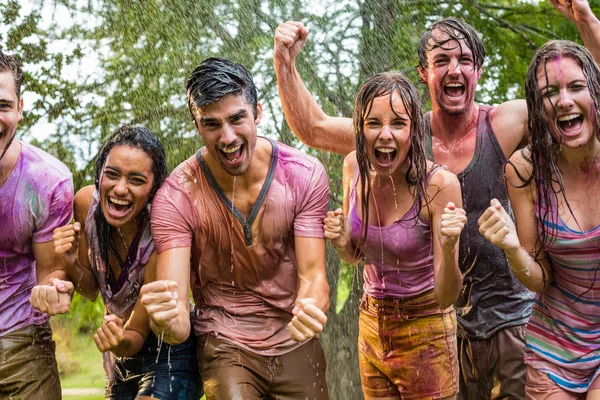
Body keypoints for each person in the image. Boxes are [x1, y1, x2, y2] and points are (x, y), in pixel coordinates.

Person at [273, 2, 600, 397]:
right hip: (435, 332)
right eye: (441, 60)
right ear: (424, 74)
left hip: (511, 327)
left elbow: (581, 103)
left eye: (465, 59)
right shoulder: (400, 134)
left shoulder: (507, 123)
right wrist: (285, 63)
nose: (454, 69)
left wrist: (586, 21)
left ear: (478, 71)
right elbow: (315, 128)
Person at [140, 57, 330, 400]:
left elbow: (314, 275)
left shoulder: (304, 175)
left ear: (257, 112)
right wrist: (164, 319)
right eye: (211, 124)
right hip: (224, 340)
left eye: (237, 118)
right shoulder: (177, 195)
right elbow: (179, 322)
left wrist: (311, 307)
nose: (227, 137)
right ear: (197, 126)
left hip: (294, 337)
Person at [323, 71, 466, 399]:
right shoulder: (352, 169)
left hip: (426, 326)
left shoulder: (439, 186)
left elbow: (447, 297)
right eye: (373, 123)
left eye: (398, 123)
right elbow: (355, 256)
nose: (385, 135)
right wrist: (342, 240)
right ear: (360, 128)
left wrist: (449, 241)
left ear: (414, 130)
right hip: (371, 325)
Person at [41, 126, 201, 400]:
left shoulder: (161, 234)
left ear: (153, 188)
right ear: (99, 172)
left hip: (168, 351)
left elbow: (137, 333)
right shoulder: (85, 205)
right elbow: (91, 289)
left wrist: (118, 341)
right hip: (121, 352)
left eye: (136, 180)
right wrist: (69, 261)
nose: (120, 189)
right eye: (112, 174)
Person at [478, 38, 600, 398]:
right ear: (538, 106)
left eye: (577, 87)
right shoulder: (526, 169)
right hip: (553, 348)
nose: (564, 100)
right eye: (550, 92)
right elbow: (541, 277)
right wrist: (513, 249)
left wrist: (585, 20)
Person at [0, 50, 74, 399]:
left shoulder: (48, 181)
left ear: (20, 107)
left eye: (2, 105)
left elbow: (51, 271)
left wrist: (54, 289)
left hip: (24, 339)